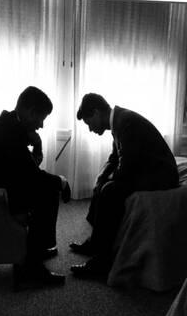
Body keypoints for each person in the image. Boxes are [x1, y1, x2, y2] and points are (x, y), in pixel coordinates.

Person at [0, 86, 71, 287]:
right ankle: (31, 270)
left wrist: (37, 146)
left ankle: (37, 250)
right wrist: (62, 182)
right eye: (41, 118)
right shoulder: (9, 134)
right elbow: (32, 176)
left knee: (45, 186)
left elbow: (26, 169)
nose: (42, 125)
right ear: (30, 112)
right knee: (48, 190)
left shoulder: (10, 125)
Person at [70, 93, 179, 278]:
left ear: (96, 113)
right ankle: (95, 243)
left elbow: (127, 165)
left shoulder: (126, 122)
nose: (90, 129)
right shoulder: (119, 121)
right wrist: (101, 177)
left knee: (110, 191)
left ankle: (101, 263)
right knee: (102, 185)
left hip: (161, 175)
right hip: (146, 168)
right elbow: (115, 158)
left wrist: (108, 181)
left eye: (89, 123)